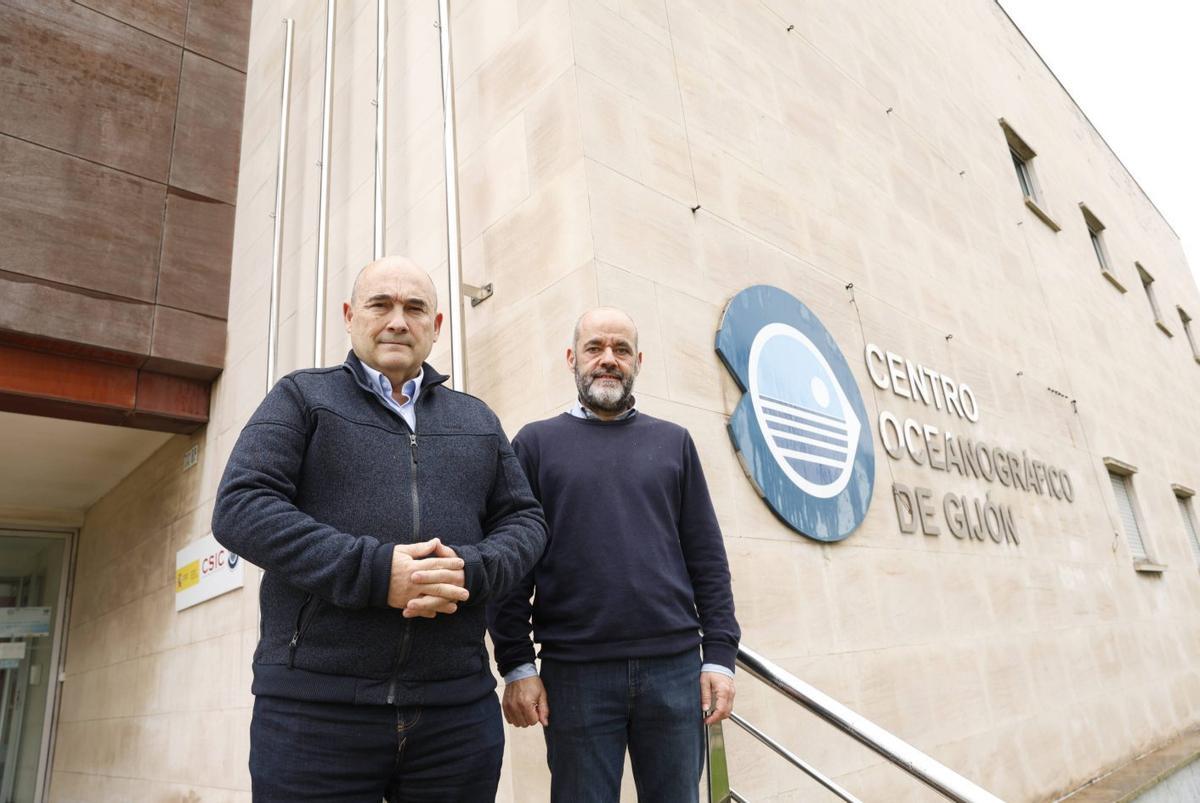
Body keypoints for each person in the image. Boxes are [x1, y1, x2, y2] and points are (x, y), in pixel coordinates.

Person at [212, 256, 547, 802]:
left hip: (455, 716)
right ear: (349, 316)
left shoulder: (477, 420)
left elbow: (525, 521)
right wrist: (374, 572)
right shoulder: (301, 398)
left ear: (436, 327)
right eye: (380, 305)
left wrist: (467, 571)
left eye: (415, 308)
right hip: (315, 714)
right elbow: (241, 506)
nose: (398, 320)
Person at [488, 307, 740, 803]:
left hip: (675, 671)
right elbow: (512, 567)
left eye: (621, 350)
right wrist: (517, 665)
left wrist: (721, 657)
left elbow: (707, 557)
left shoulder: (674, 442)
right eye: (595, 348)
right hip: (575, 676)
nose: (608, 360)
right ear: (571, 358)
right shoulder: (535, 444)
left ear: (638, 361)